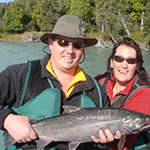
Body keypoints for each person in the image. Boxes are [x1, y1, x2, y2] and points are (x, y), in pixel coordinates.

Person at [0, 15, 121, 150]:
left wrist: (106, 143)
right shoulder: (21, 74)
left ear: (83, 48)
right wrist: (6, 119)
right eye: (63, 42)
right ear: (51, 43)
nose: (70, 51)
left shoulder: (96, 91)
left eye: (77, 45)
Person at [95, 37, 150, 150]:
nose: (124, 65)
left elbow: (124, 144)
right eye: (119, 59)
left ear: (137, 65)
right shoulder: (99, 82)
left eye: (130, 61)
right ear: (111, 62)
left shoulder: (144, 93)